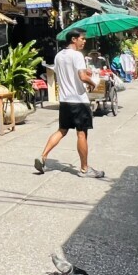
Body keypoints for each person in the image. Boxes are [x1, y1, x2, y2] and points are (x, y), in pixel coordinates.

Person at [35, 30, 105, 178]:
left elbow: (72, 73)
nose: (84, 41)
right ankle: (85, 169)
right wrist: (92, 83)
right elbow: (81, 76)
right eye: (82, 39)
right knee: (81, 134)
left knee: (62, 130)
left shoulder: (59, 56)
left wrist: (85, 74)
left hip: (65, 100)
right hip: (79, 101)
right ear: (74, 39)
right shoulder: (77, 55)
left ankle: (43, 156)